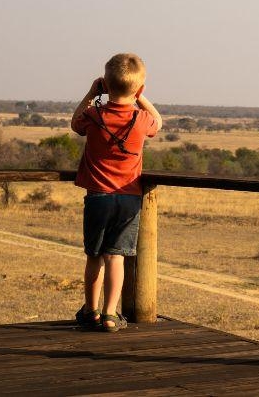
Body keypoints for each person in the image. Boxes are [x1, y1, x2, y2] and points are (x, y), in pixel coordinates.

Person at [70, 53, 163, 331]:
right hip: (128, 198)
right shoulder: (141, 118)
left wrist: (91, 92)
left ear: (105, 85)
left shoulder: (93, 114)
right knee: (116, 257)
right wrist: (141, 97)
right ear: (138, 87)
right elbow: (158, 122)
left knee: (94, 256)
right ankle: (111, 314)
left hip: (97, 197)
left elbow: (75, 124)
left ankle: (91, 310)